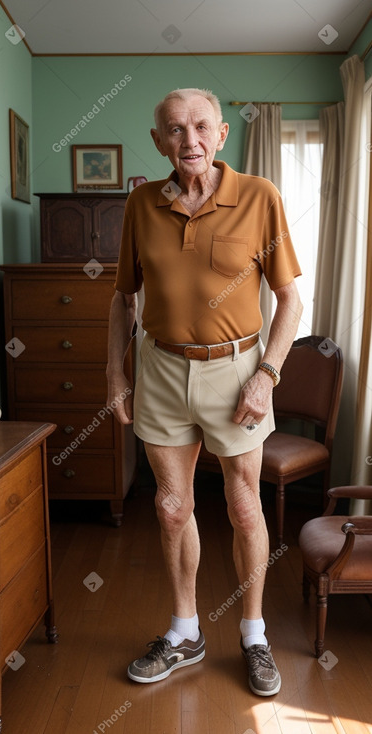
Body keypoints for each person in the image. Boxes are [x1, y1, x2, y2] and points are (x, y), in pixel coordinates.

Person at [106, 87, 302, 697]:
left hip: (237, 371)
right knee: (171, 506)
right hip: (160, 368)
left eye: (199, 128)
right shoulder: (140, 204)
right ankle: (186, 631)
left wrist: (267, 374)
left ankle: (254, 635)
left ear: (221, 135)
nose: (187, 140)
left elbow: (291, 299)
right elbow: (123, 297)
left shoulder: (260, 197)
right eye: (173, 129)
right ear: (158, 140)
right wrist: (115, 373)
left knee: (245, 506)